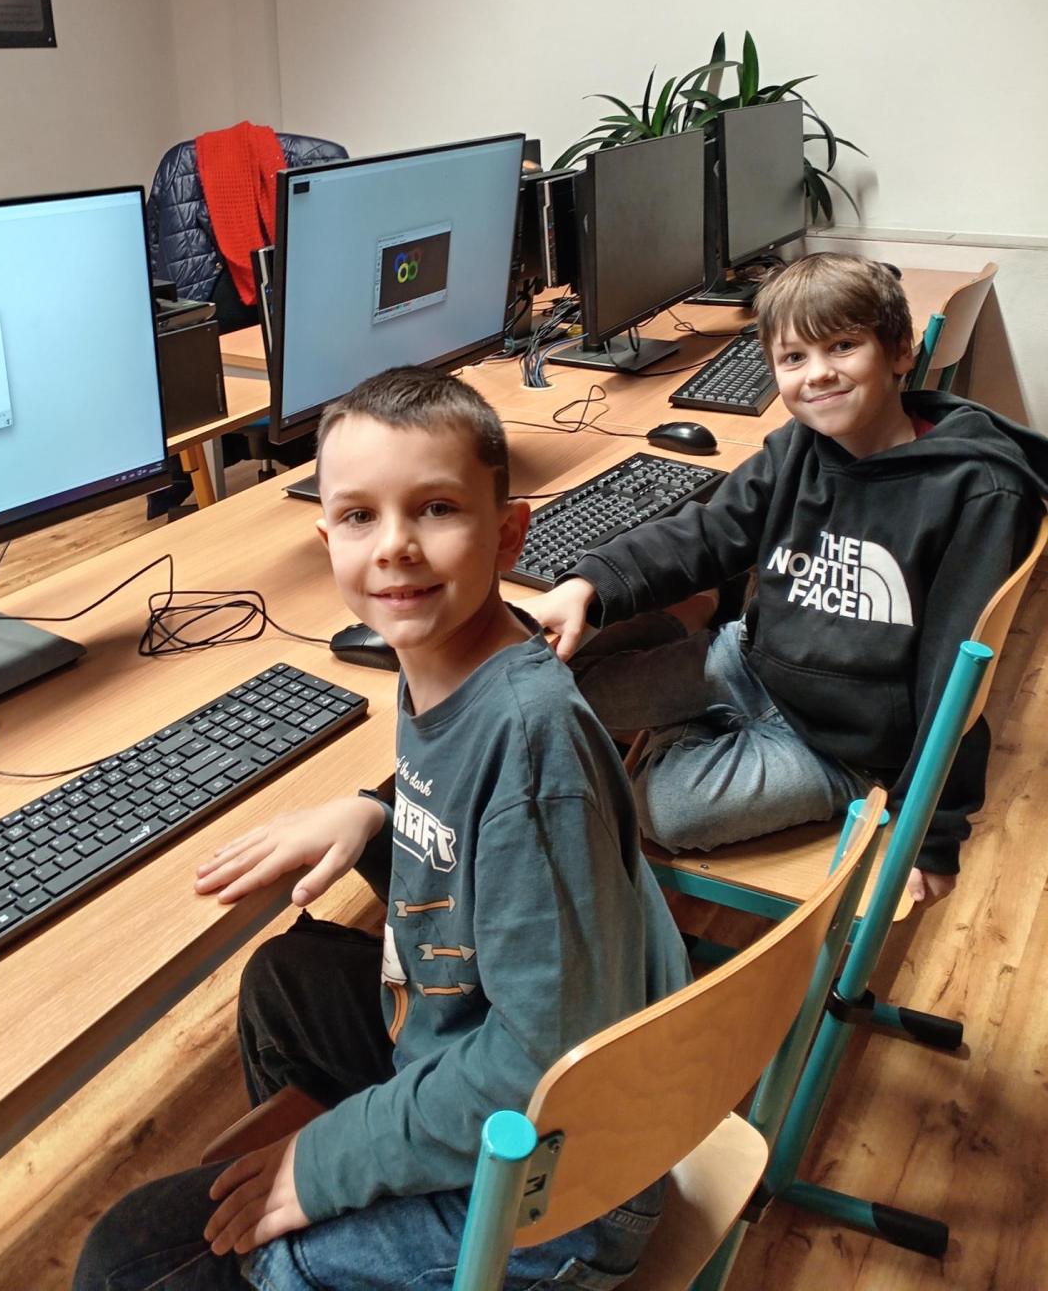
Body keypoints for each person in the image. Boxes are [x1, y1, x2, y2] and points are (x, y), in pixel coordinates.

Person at [74, 366, 689, 1291]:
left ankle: (311, 1247)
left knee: (133, 1262)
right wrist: (375, 813)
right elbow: (476, 836)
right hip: (506, 1064)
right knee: (285, 980)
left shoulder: (530, 740)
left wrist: (324, 1166)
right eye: (360, 516)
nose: (395, 546)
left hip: (564, 1187)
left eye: (436, 509)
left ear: (508, 532)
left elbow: (544, 1065)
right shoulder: (450, 656)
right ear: (328, 538)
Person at [524, 254, 1048, 906]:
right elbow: (708, 531)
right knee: (562, 692)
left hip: (845, 745)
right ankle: (702, 717)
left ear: (899, 352)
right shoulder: (796, 445)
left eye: (843, 346)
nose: (818, 372)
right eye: (794, 357)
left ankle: (694, 725)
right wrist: (590, 584)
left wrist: (931, 834)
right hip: (751, 661)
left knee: (670, 812)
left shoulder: (974, 492)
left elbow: (955, 673)